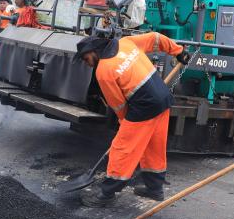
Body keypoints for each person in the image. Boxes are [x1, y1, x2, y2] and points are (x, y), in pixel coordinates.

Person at [75, 28, 189, 207]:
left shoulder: (104, 71)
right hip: (163, 97)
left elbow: (118, 104)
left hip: (144, 105)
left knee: (123, 147)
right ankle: (154, 189)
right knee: (154, 145)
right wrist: (178, 51)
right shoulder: (125, 43)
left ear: (93, 51)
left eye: (85, 58)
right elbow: (155, 38)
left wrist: (124, 123)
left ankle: (107, 193)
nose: (86, 63)